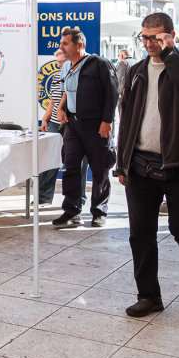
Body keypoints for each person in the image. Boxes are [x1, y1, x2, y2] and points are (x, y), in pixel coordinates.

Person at [116, 13, 179, 317]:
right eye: (145, 37)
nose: (149, 43)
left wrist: (170, 54)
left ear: (171, 36)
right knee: (140, 235)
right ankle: (149, 296)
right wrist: (122, 163)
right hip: (140, 166)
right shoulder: (136, 71)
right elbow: (126, 118)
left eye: (156, 38)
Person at [53, 27, 117, 228]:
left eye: (65, 43)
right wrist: (60, 108)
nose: (61, 47)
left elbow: (112, 93)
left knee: (100, 168)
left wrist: (107, 121)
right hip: (72, 125)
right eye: (61, 43)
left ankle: (99, 212)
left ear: (79, 45)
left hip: (96, 125)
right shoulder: (66, 66)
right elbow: (65, 91)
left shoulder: (99, 64)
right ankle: (71, 210)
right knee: (71, 166)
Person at [37, 48, 68, 205]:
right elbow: (52, 101)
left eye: (62, 62)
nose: (60, 65)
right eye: (58, 62)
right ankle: (43, 197)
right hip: (55, 123)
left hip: (71, 124)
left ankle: (74, 201)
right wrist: (45, 119)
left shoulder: (77, 76)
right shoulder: (56, 77)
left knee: (74, 162)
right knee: (49, 158)